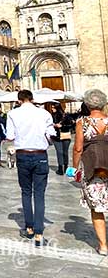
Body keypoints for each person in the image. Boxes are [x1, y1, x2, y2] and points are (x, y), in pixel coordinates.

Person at [5, 90, 56, 246]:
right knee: (39, 193)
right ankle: (39, 233)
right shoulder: (44, 113)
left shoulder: (13, 114)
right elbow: (51, 133)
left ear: (19, 100)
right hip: (40, 155)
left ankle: (29, 228)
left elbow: (10, 136)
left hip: (23, 155)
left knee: (26, 192)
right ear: (32, 99)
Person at [71, 89, 108, 255]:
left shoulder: (82, 122)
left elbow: (78, 148)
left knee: (97, 207)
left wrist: (74, 168)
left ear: (87, 104)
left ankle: (103, 245)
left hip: (93, 169)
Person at [50, 103, 74, 175]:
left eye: (53, 107)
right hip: (56, 136)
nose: (52, 109)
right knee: (59, 152)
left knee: (65, 152)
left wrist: (62, 126)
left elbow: (72, 125)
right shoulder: (51, 116)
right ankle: (60, 168)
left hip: (65, 135)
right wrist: (54, 125)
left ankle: (66, 167)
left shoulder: (65, 115)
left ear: (57, 108)